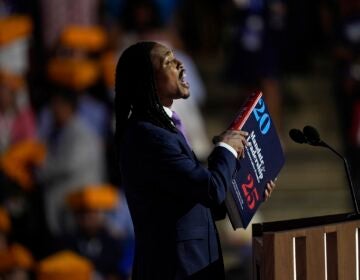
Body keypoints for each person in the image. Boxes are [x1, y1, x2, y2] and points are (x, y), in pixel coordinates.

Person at [114, 41, 275, 280]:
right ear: (147, 80)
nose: (180, 65)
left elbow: (194, 202)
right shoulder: (149, 136)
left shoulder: (162, 129)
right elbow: (210, 190)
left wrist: (248, 193)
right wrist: (225, 148)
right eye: (168, 61)